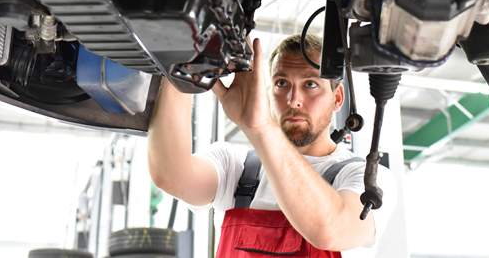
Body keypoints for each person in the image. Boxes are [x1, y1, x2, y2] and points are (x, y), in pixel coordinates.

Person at [147, 33, 396, 258]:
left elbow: (329, 230)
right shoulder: (236, 166)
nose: (293, 100)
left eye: (310, 84)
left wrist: (262, 128)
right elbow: (170, 176)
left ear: (337, 98)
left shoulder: (368, 179)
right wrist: (184, 68)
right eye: (281, 83)